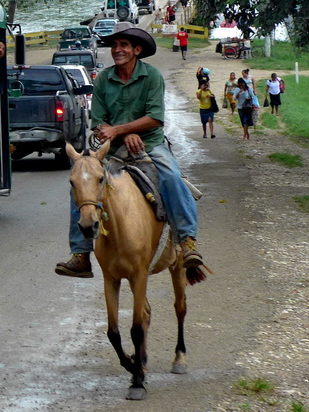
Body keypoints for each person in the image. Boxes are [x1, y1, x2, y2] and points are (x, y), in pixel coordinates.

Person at [54, 23, 208, 283]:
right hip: (112, 150)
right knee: (81, 184)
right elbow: (99, 122)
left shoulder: (152, 77)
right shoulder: (103, 79)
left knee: (171, 177)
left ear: (137, 50)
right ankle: (81, 253)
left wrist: (121, 130)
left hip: (150, 144)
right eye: (114, 45)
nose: (117, 49)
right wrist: (122, 134)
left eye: (124, 45)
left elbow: (155, 118)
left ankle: (188, 241)